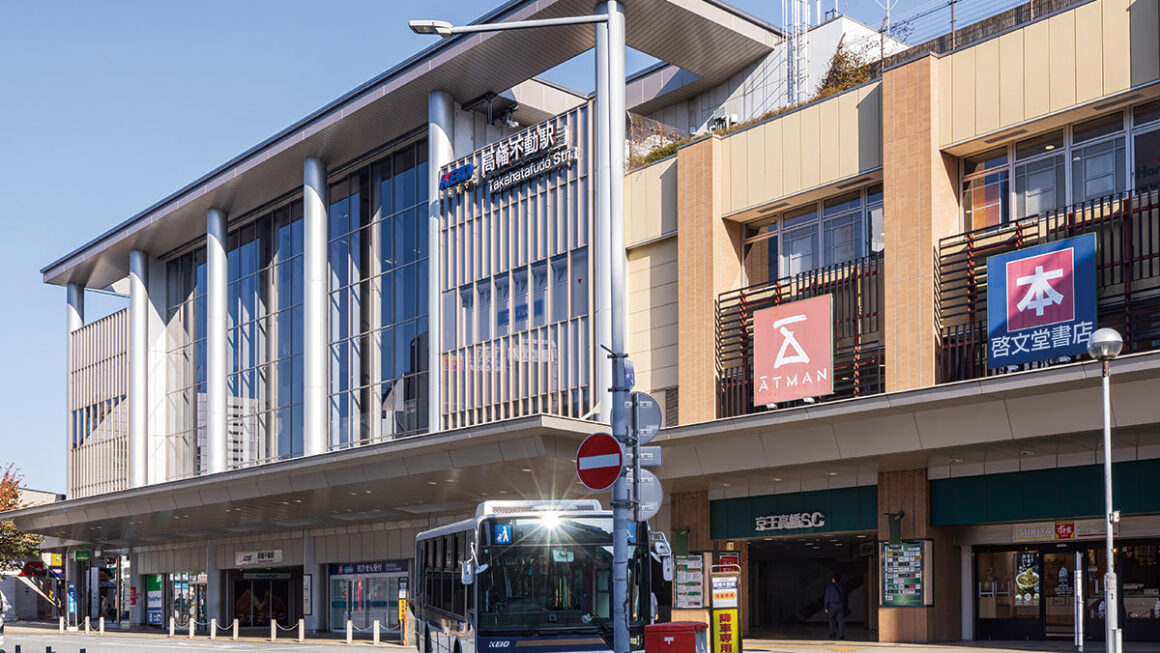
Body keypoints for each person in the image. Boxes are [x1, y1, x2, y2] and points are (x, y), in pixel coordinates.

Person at [824, 574, 848, 640]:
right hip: (841, 605)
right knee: (841, 620)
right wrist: (846, 604)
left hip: (832, 606)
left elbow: (827, 598)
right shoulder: (842, 586)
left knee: (832, 619)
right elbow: (846, 596)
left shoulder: (829, 587)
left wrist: (826, 607)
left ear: (833, 579)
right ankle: (841, 635)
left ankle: (832, 633)